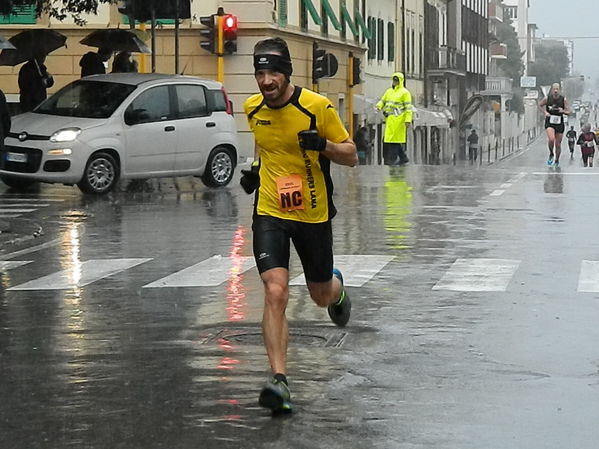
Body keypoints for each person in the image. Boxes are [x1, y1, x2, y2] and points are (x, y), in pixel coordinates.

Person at [242, 37, 357, 414]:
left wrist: (322, 144)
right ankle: (280, 381)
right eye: (260, 72)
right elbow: (265, 144)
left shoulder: (317, 107)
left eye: (273, 72)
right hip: (271, 211)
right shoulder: (252, 108)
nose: (266, 80)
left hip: (312, 214)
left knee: (319, 296)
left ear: (287, 73)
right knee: (275, 291)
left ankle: (336, 289)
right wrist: (256, 172)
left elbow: (351, 155)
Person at [376, 72, 412, 165]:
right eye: (394, 80)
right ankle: (403, 157)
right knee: (390, 140)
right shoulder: (389, 91)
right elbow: (383, 100)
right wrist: (378, 106)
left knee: (394, 140)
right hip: (389, 120)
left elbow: (408, 108)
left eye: (396, 80)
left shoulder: (405, 93)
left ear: (400, 81)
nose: (394, 82)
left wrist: (408, 120)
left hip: (399, 120)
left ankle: (392, 159)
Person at [539, 83, 570, 167]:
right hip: (550, 121)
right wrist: (545, 112)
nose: (555, 91)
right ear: (552, 90)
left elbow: (568, 112)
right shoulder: (547, 99)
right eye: (554, 89)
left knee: (558, 144)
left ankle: (556, 160)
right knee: (551, 139)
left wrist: (562, 111)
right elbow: (540, 105)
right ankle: (551, 153)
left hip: (559, 122)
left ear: (559, 90)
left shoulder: (563, 100)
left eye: (557, 89)